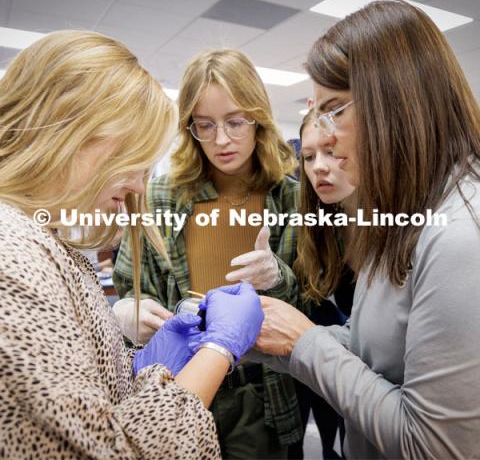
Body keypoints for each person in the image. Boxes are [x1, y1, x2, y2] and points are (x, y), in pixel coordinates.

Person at [217, 0, 480, 459]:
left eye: (335, 110)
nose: (325, 138)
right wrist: (265, 339)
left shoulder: (459, 234)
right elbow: (375, 353)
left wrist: (305, 342)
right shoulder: (403, 214)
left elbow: (435, 446)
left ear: (397, 103)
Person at [0, 30, 265, 459]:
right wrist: (217, 349)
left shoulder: (40, 240)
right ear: (70, 131)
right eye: (134, 160)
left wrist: (133, 368)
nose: (141, 184)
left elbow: (82, 401)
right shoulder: (12, 258)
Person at [112, 48, 303, 459]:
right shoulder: (160, 197)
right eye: (205, 125)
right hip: (175, 379)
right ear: (189, 127)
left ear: (259, 120)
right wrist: (128, 309)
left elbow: (311, 305)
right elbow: (130, 285)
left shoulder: (291, 197)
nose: (221, 140)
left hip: (261, 386)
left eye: (235, 122)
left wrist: (277, 278)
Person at [288, 109, 356, 460]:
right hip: (321, 366)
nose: (318, 167)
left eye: (330, 152)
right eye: (309, 156)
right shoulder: (315, 222)